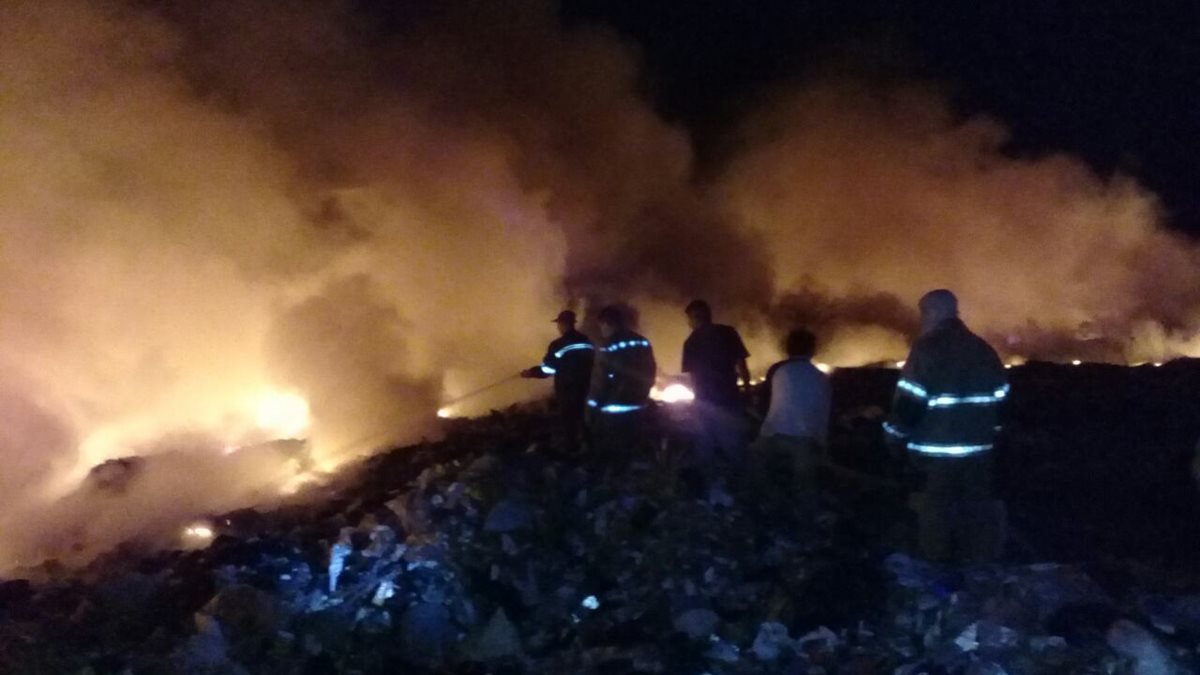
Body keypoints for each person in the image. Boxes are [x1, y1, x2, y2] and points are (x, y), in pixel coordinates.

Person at [884, 289, 1008, 564]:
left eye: (924, 314)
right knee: (977, 512)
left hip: (936, 452)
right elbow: (1001, 399)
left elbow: (909, 402)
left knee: (934, 512)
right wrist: (992, 435)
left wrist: (893, 437)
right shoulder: (983, 349)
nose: (922, 320)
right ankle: (979, 570)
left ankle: (936, 572)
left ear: (934, 313)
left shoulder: (927, 348)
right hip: (979, 452)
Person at [746, 329, 831, 513]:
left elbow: (769, 406)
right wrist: (822, 445)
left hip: (775, 436)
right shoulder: (820, 377)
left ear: (788, 349)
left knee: (753, 460)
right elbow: (823, 413)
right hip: (804, 441)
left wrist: (762, 431)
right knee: (805, 484)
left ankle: (765, 503)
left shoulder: (779, 372)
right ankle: (806, 520)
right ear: (812, 350)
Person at [681, 300, 752, 466]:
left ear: (693, 318)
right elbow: (742, 366)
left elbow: (692, 377)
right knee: (735, 446)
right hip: (729, 398)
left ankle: (711, 485)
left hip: (704, 403)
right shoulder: (728, 332)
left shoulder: (691, 342)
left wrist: (696, 401)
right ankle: (740, 484)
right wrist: (747, 391)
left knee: (705, 447)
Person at [587, 305, 656, 459]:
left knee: (613, 447)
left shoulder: (608, 345)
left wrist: (592, 407)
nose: (601, 330)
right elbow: (650, 370)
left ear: (606, 323)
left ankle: (613, 475)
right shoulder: (642, 341)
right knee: (633, 443)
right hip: (638, 403)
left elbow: (601, 378)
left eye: (601, 326)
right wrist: (645, 391)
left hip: (614, 405)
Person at [521, 310, 594, 450]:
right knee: (584, 419)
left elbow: (548, 369)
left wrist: (530, 372)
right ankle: (588, 449)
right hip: (586, 387)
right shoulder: (586, 341)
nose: (558, 327)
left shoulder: (558, 344)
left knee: (568, 421)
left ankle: (571, 450)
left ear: (562, 324)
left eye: (559, 324)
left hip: (567, 389)